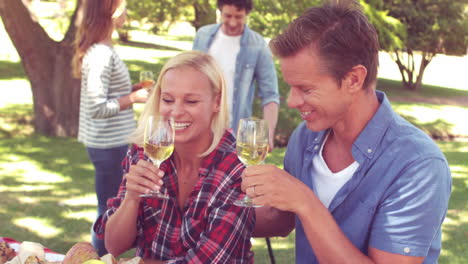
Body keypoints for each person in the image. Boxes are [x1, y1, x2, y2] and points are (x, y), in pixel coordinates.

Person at [240, 1, 452, 263]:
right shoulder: (304, 138)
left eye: (305, 89)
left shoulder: (418, 166)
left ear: (353, 79)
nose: (292, 101)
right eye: (290, 87)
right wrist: (201, 213)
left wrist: (306, 202)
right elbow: (282, 219)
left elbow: (302, 206)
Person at [93, 51, 255, 263]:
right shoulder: (145, 152)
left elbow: (209, 260)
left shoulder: (235, 165)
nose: (176, 112)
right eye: (168, 100)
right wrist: (131, 198)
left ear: (216, 102)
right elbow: (114, 246)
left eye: (191, 101)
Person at [71, 0, 148, 256]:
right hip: (108, 144)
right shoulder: (102, 54)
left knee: (108, 207)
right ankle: (101, 259)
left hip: (110, 142)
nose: (126, 11)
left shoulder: (103, 49)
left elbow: (106, 95)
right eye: (123, 5)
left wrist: (130, 92)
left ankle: (102, 258)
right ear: (111, 10)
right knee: (109, 211)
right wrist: (133, 99)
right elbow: (97, 107)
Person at [192, 0, 280, 150]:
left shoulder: (257, 45)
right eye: (227, 16)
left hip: (235, 134)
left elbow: (270, 95)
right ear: (220, 11)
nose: (232, 22)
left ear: (247, 14)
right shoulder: (203, 35)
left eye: (238, 17)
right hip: (201, 128)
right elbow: (190, 78)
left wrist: (268, 134)